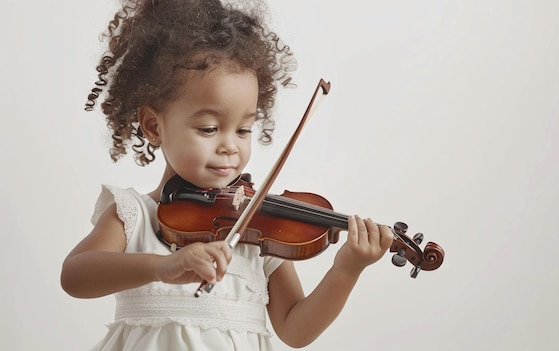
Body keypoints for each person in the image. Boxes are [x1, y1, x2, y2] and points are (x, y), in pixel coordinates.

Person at [61, 0, 394, 350]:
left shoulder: (260, 231)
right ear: (153, 126)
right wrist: (162, 266)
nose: (230, 147)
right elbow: (75, 275)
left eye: (243, 130)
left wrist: (346, 271)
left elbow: (295, 331)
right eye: (208, 129)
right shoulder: (134, 215)